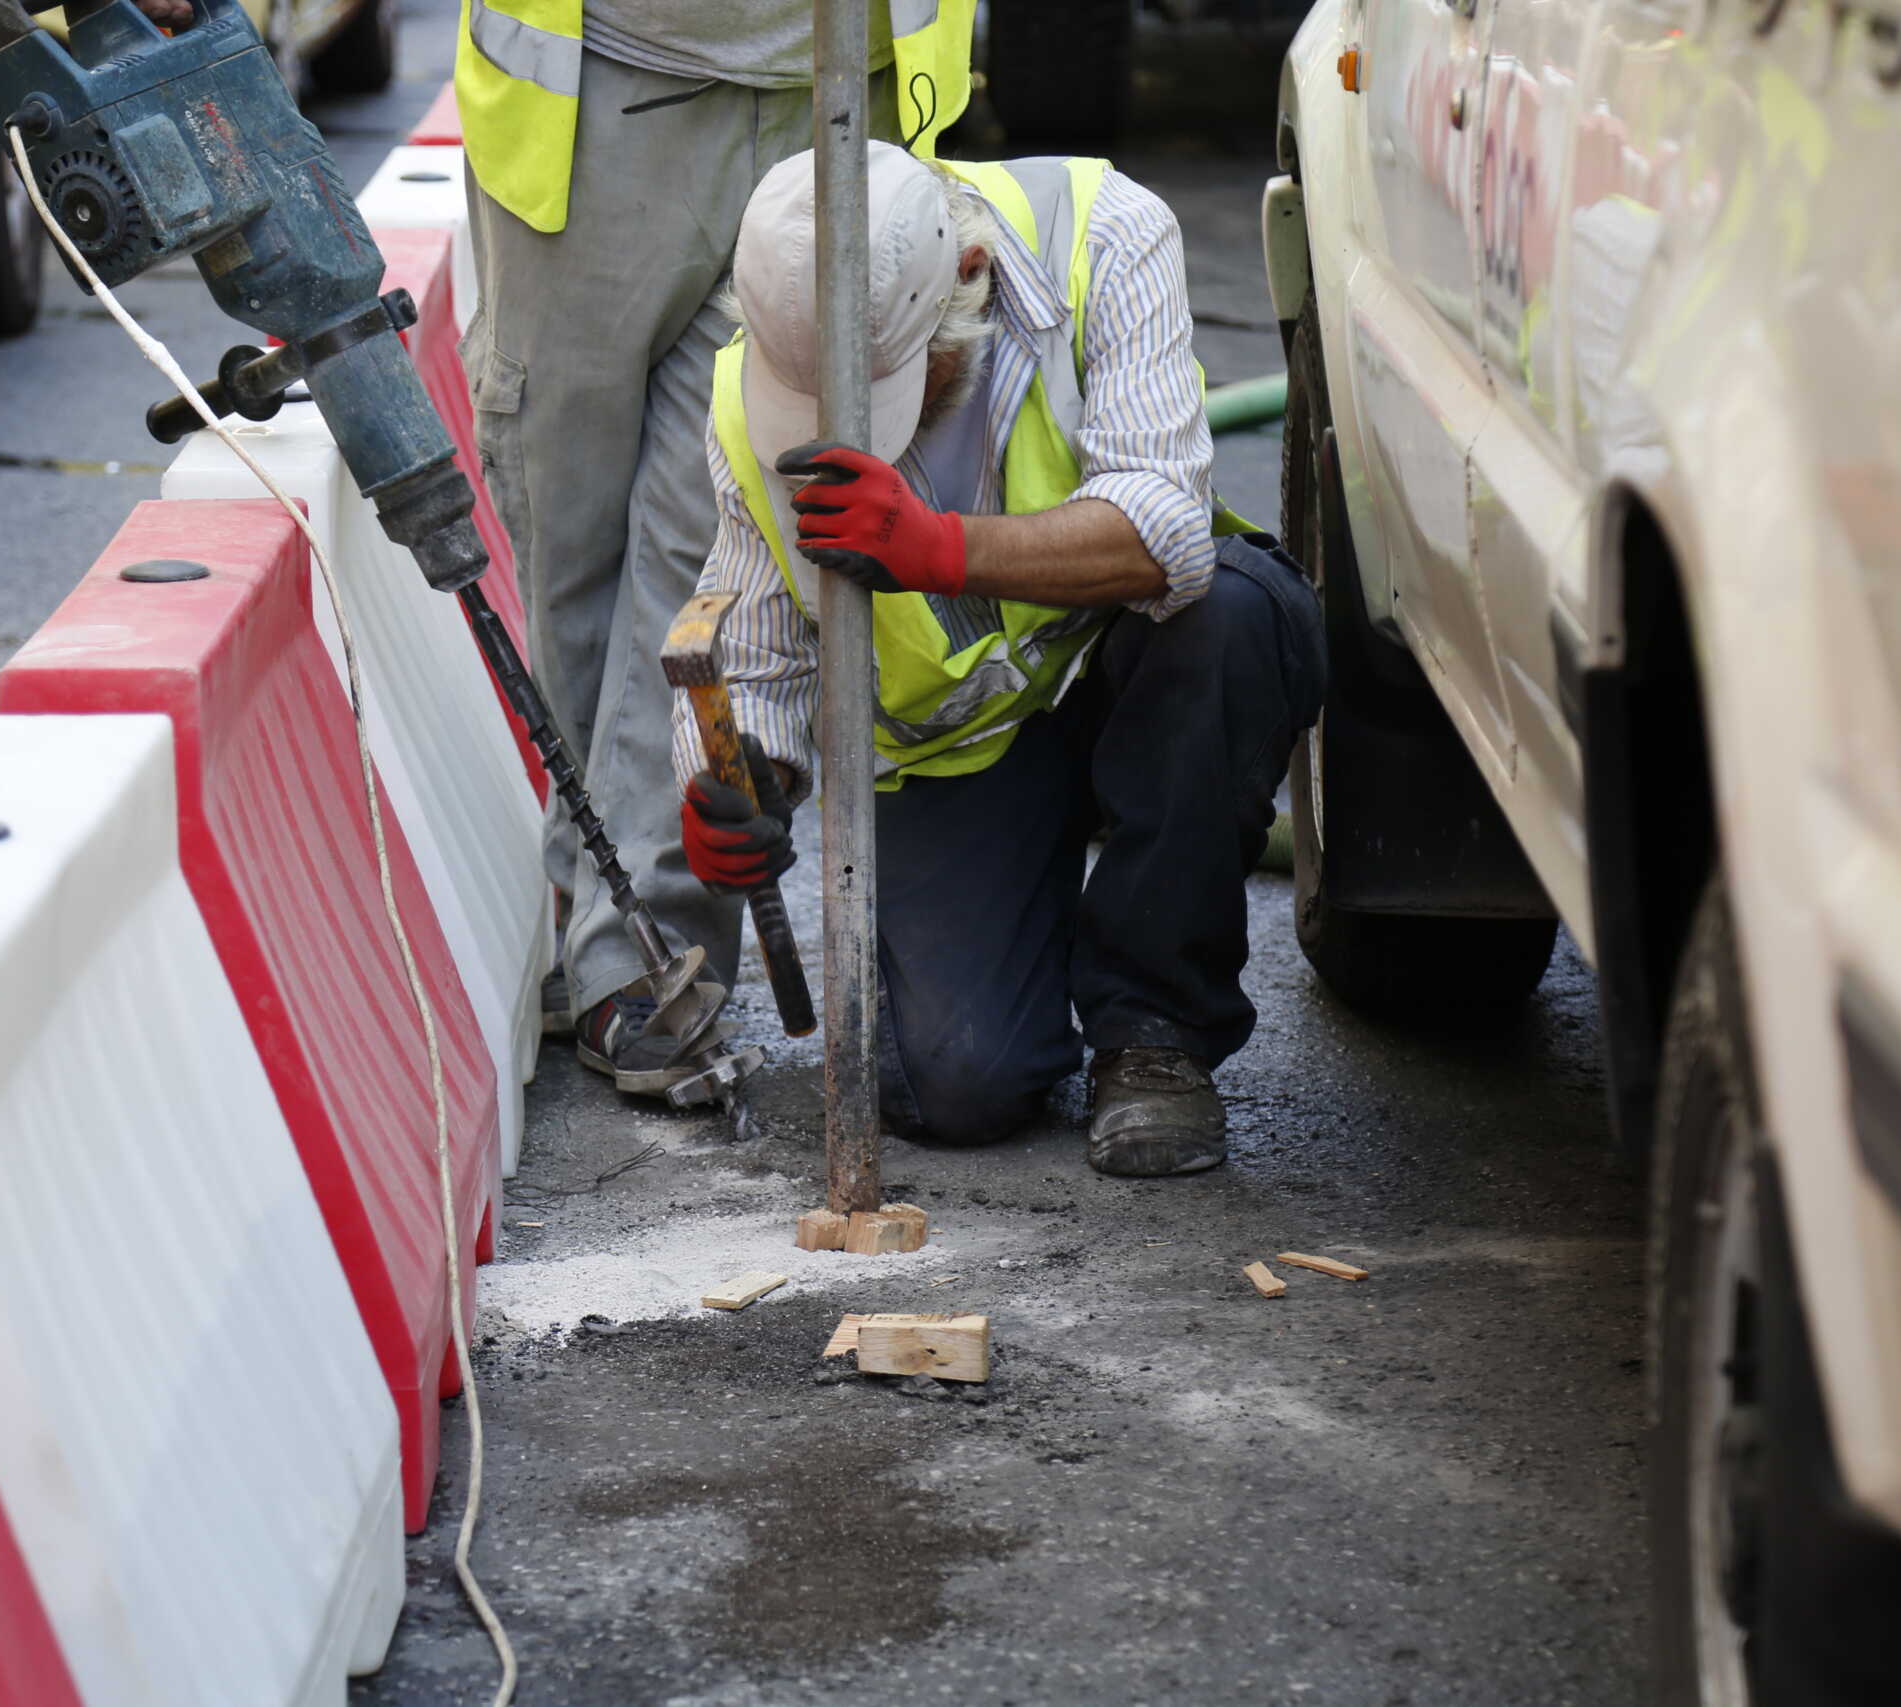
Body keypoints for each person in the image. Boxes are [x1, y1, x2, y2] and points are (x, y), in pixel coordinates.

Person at [671, 142, 1328, 1176]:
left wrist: (936, 549)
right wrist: (741, 781)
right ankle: (1028, 927)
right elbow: (757, 648)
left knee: (1238, 616)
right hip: (968, 749)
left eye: (897, 386)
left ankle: (1153, 1031)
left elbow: (1166, 533)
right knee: (955, 1083)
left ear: (968, 280)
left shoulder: (1101, 232)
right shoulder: (747, 390)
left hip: (1133, 663)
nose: (869, 431)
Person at [451, 4, 976, 1095]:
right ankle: (587, 896)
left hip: (837, 81)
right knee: (570, 527)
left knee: (718, 524)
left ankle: (640, 948)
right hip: (600, 87)